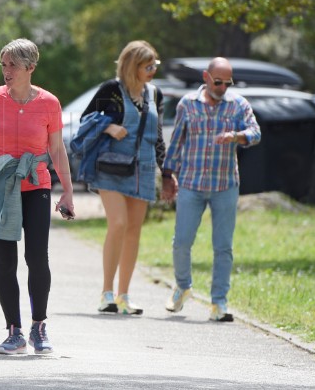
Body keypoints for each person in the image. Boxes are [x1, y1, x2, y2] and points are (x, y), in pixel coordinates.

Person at [0, 38, 75, 355]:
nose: (6, 70)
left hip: (36, 183)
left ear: (30, 68)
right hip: (0, 184)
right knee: (5, 261)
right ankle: (14, 331)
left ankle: (39, 326)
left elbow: (56, 148)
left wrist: (67, 191)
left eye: (13, 65)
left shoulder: (49, 102)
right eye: (4, 64)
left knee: (37, 257)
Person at [161, 57, 261, 322]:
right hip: (192, 184)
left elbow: (255, 132)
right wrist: (167, 176)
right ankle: (183, 287)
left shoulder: (238, 105)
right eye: (218, 81)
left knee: (223, 247)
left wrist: (237, 136)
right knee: (181, 242)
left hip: (225, 184)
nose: (223, 87)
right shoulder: (188, 104)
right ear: (206, 77)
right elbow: (177, 142)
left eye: (228, 83)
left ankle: (219, 303)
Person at [80, 40, 165, 316]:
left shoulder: (155, 94)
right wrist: (110, 127)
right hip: (112, 167)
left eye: (154, 65)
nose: (152, 70)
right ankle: (106, 293)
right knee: (118, 223)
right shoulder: (111, 90)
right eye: (147, 66)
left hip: (144, 167)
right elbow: (86, 119)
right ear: (132, 66)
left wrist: (167, 171)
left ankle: (124, 295)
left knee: (133, 231)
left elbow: (159, 135)